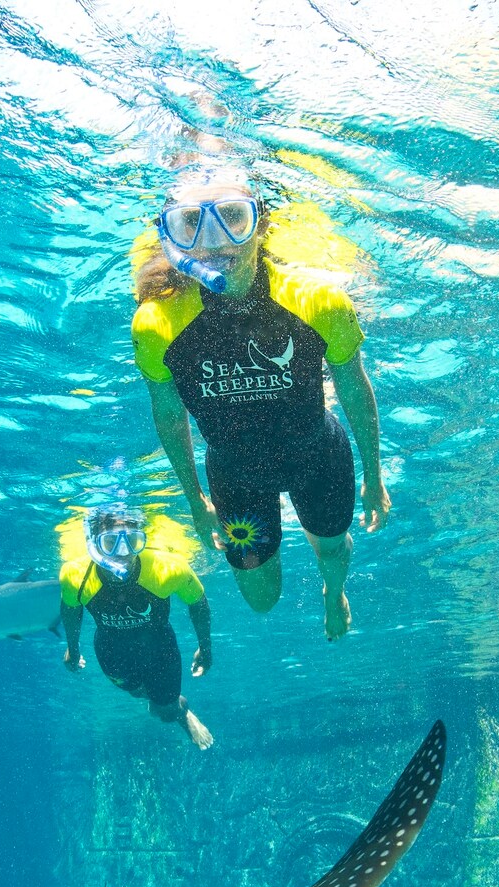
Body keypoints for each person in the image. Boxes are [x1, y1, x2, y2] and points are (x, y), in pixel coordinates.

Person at [132, 165, 389, 641]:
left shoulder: (319, 301)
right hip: (235, 475)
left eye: (233, 217)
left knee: (332, 553)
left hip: (318, 457)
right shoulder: (157, 325)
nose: (215, 241)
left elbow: (353, 387)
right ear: (172, 240)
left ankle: (334, 594)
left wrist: (374, 475)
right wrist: (195, 498)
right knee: (261, 600)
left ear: (262, 224)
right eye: (192, 224)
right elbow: (169, 414)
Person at [61, 507, 215, 748]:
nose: (123, 554)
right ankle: (158, 696)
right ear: (93, 543)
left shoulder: (169, 568)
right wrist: (73, 648)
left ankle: (178, 709)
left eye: (132, 541)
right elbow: (71, 610)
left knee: (164, 711)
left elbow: (199, 604)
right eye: (110, 542)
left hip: (160, 649)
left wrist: (205, 648)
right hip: (112, 652)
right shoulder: (75, 575)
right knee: (134, 690)